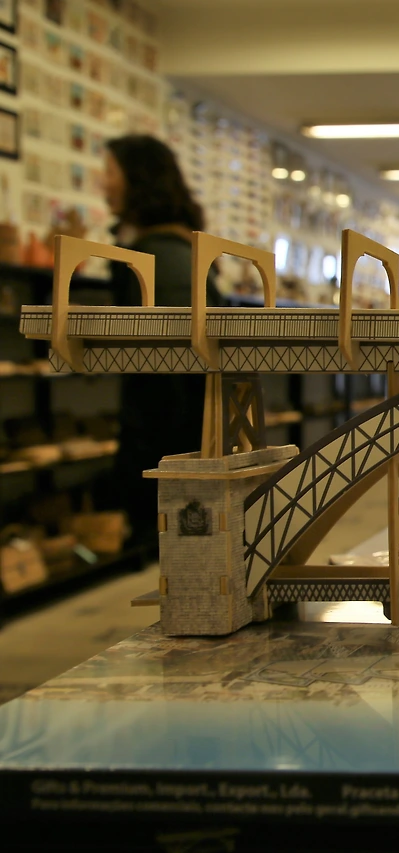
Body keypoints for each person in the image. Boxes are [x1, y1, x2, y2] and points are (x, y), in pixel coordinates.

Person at [100, 134, 221, 561]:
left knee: (168, 549)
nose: (103, 183)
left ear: (138, 178)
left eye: (110, 171)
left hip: (161, 432)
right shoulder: (184, 249)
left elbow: (160, 367)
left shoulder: (148, 257)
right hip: (193, 425)